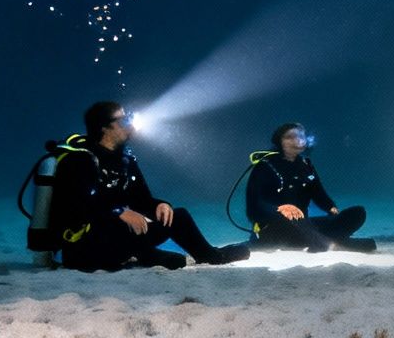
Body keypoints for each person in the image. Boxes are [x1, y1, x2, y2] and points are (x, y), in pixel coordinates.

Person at [52, 101, 250, 272]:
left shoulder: (125, 160)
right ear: (104, 127)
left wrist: (159, 206)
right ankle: (145, 255)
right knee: (121, 229)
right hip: (85, 246)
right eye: (122, 119)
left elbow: (141, 200)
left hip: (120, 236)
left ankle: (210, 256)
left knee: (178, 216)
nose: (128, 123)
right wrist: (118, 211)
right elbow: (74, 205)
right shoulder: (80, 159)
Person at [246, 122, 375, 253]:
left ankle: (324, 240)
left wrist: (330, 207)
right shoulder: (264, 166)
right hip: (273, 228)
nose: (298, 140)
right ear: (279, 141)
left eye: (301, 136)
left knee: (358, 213)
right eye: (290, 137)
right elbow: (254, 206)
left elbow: (318, 192)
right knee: (298, 220)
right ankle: (329, 243)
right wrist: (280, 209)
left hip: (305, 227)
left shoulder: (305, 165)